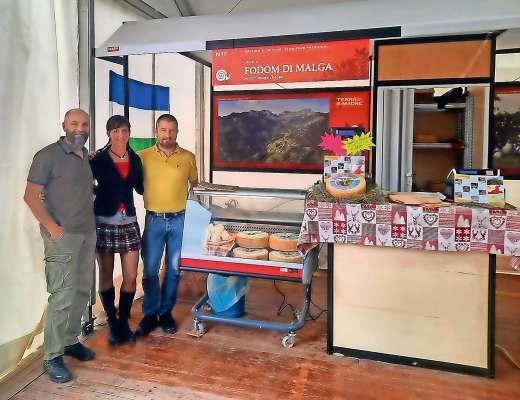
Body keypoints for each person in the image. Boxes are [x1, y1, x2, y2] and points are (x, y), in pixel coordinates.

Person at [24, 108, 96, 384]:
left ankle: (69, 341)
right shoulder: (47, 156)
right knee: (62, 295)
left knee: (80, 291)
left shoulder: (84, 157)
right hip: (62, 237)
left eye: (84, 124)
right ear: (64, 125)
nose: (80, 128)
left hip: (86, 234)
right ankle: (52, 356)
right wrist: (53, 228)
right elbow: (31, 196)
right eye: (74, 123)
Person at [135, 114, 198, 337]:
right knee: (150, 271)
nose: (167, 135)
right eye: (163, 130)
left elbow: (196, 187)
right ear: (156, 132)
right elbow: (125, 175)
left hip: (180, 220)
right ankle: (150, 314)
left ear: (177, 132)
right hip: (153, 221)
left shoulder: (189, 157)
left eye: (171, 130)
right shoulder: (141, 157)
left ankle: (166, 313)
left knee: (173, 270)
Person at [90, 115, 144, 346]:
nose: (119, 135)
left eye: (123, 130)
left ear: (129, 132)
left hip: (129, 221)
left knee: (131, 275)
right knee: (105, 273)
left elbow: (141, 187)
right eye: (114, 131)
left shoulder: (136, 159)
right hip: (103, 220)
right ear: (108, 134)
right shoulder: (98, 159)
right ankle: (112, 323)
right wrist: (98, 193)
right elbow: (83, 182)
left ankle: (123, 322)